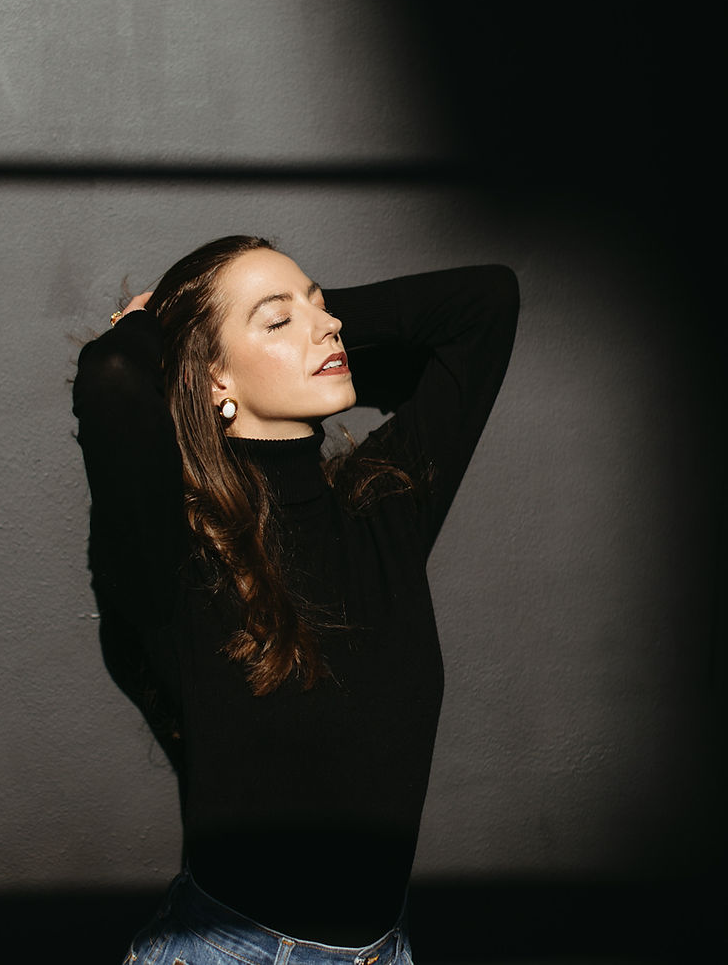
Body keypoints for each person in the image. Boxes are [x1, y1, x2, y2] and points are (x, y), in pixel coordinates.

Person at [72, 235, 519, 964]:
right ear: (215, 378)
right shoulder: (180, 556)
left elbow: (486, 302)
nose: (330, 325)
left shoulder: (382, 509)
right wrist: (147, 326)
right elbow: (116, 385)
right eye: (276, 321)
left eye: (325, 306)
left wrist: (301, 319)